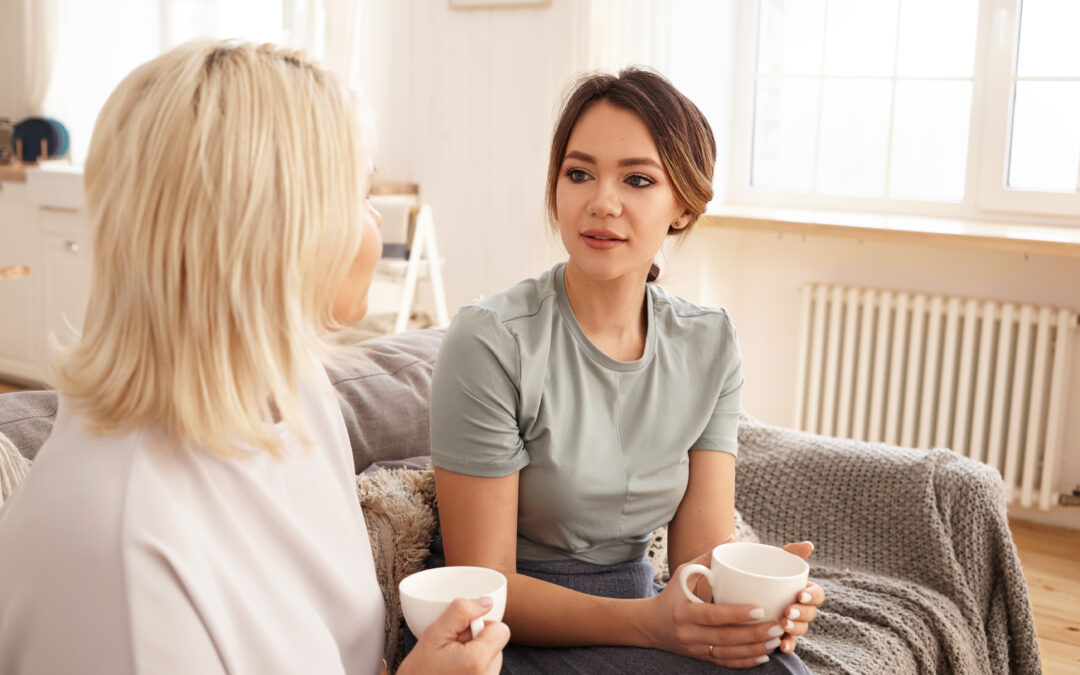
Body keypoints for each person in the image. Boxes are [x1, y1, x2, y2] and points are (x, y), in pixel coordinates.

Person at [0, 40, 508, 675]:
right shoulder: (119, 558)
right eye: (361, 194)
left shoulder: (296, 396)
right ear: (283, 234)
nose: (375, 222)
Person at [427, 68, 824, 673]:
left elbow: (699, 554)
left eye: (637, 179)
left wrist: (750, 600)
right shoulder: (490, 341)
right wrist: (652, 625)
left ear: (683, 207)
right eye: (578, 173)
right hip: (508, 633)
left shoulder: (710, 342)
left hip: (642, 614)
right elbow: (483, 588)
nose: (601, 202)